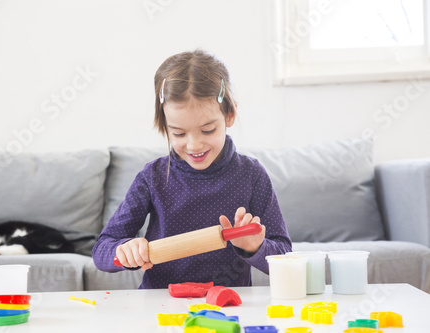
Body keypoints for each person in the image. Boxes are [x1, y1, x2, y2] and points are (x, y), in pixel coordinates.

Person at [92, 49, 292, 289]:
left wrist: (256, 247)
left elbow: (284, 257)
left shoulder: (251, 174)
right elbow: (102, 251)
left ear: (230, 115)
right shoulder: (153, 177)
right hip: (159, 306)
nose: (194, 144)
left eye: (208, 130)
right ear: (164, 126)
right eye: (178, 133)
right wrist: (125, 251)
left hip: (226, 305)